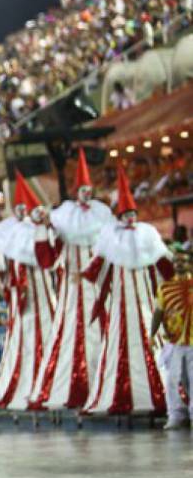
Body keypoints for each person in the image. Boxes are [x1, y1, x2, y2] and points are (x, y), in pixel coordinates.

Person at [82, 166, 174, 416]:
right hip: (122, 301)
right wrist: (85, 274)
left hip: (145, 297)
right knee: (124, 336)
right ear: (121, 216)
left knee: (151, 332)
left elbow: (164, 262)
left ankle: (164, 391)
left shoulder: (148, 234)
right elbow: (97, 266)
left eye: (133, 213)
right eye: (127, 214)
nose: (131, 218)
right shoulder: (111, 238)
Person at [29, 151, 114, 412]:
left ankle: (104, 385)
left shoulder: (102, 216)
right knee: (70, 327)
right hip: (72, 286)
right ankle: (74, 386)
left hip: (98, 284)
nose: (86, 193)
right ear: (77, 191)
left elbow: (109, 250)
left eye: (89, 189)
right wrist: (42, 225)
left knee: (104, 325)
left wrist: (92, 272)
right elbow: (48, 253)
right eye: (82, 189)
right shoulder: (63, 218)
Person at [0, 172, 58, 412]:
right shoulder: (7, 235)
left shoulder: (37, 232)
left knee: (47, 327)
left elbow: (49, 258)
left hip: (40, 289)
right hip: (21, 297)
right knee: (25, 332)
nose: (20, 211)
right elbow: (2, 270)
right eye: (16, 207)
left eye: (23, 207)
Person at [151, 251, 192, 429]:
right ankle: (175, 414)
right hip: (174, 342)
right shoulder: (164, 288)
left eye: (183, 261)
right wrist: (151, 334)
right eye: (176, 261)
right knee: (172, 379)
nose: (179, 264)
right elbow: (158, 313)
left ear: (190, 263)